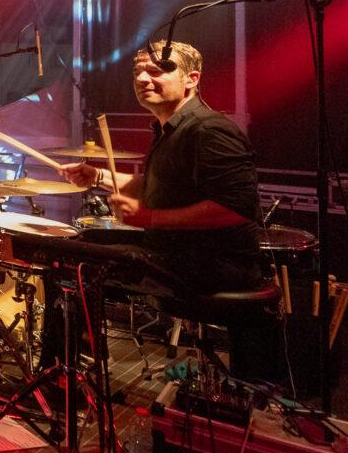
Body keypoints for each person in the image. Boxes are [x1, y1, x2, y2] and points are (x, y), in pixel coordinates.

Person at [58, 41, 272, 380]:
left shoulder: (208, 129)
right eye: (138, 71)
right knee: (76, 242)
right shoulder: (170, 129)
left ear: (191, 79)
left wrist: (149, 218)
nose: (143, 78)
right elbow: (160, 187)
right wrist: (97, 176)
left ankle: (70, 379)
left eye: (157, 71)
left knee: (73, 262)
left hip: (212, 263)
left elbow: (235, 209)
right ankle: (78, 370)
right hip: (178, 252)